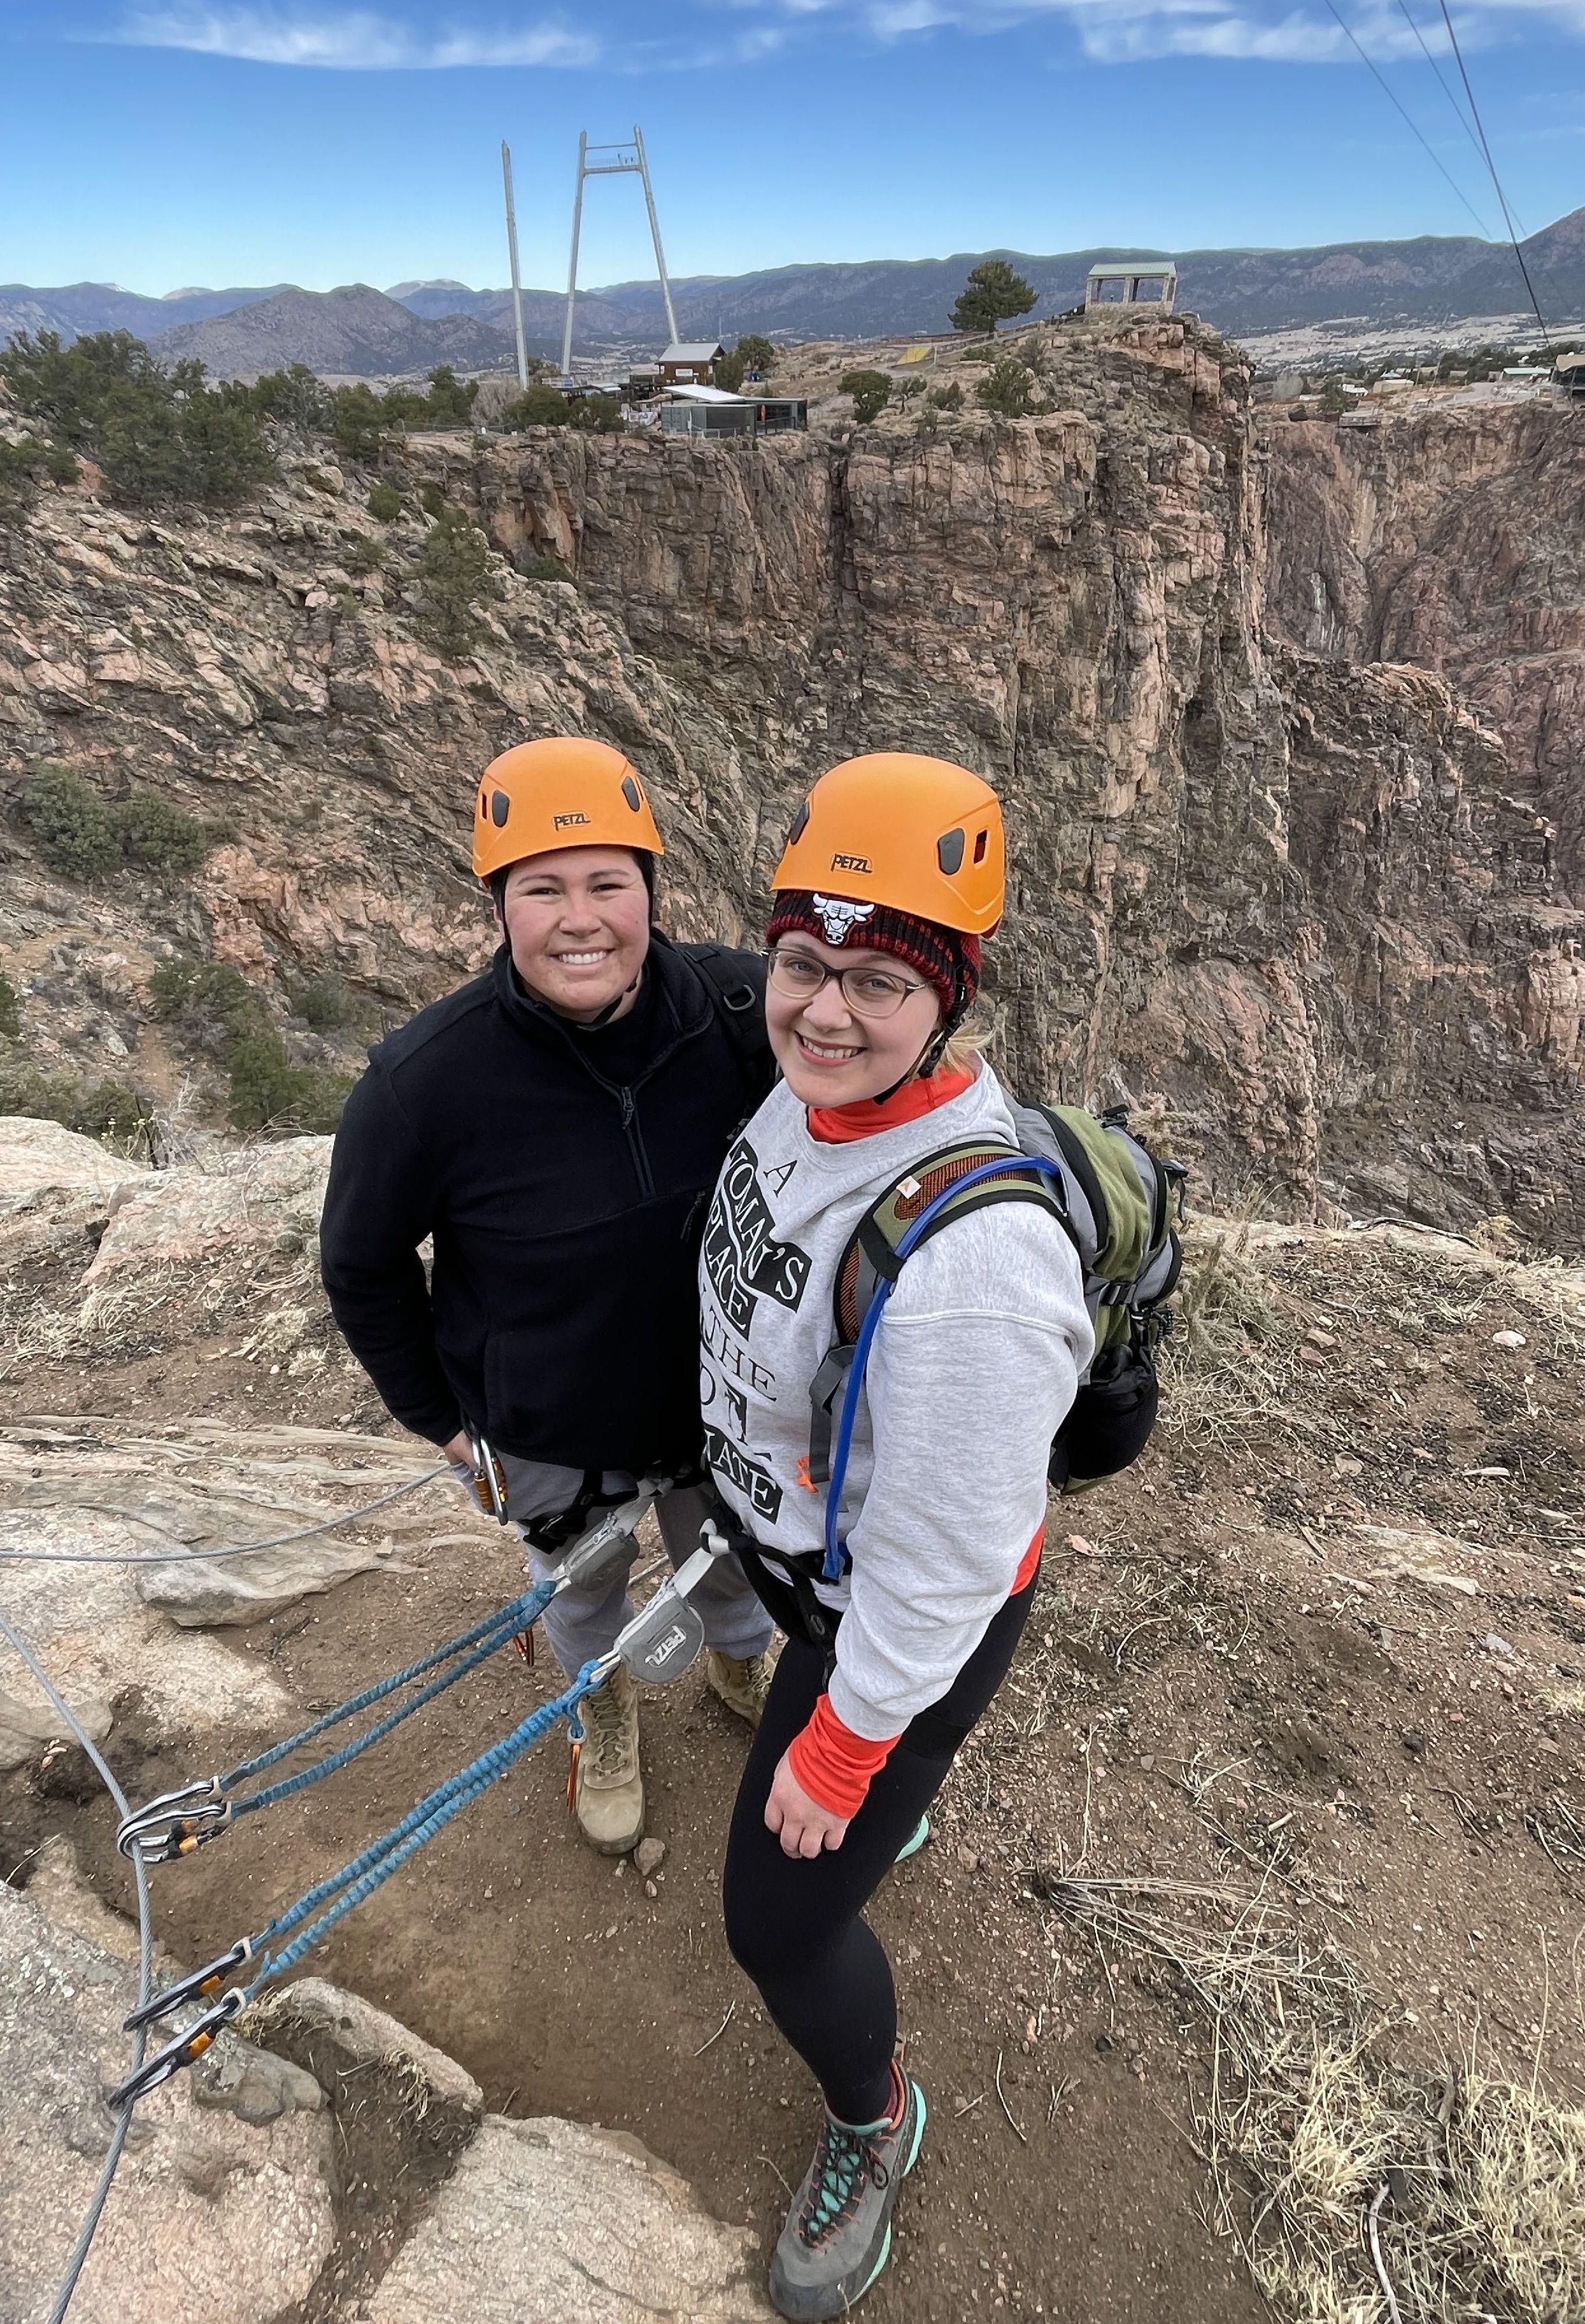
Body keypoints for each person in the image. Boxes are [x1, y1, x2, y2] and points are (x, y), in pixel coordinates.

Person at [697, 752, 1091, 2321]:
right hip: (818, 1574)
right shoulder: (815, 1103)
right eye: (803, 965)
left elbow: (940, 1567)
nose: (826, 1011)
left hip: (893, 1631)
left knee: (775, 1919)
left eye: (876, 979)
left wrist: (848, 1750)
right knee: (825, 1834)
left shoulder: (981, 1270)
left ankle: (875, 2119)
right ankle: (889, 1804)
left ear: (952, 999)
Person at [318, 734, 783, 1856]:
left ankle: (738, 1663)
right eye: (544, 890)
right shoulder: (427, 1083)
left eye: (608, 884)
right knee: (582, 1589)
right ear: (500, 905)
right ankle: (603, 1702)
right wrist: (440, 1420)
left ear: (650, 893)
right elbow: (363, 1265)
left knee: (743, 1565)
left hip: (723, 1401)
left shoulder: (738, 1016)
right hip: (551, 1421)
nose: (582, 919)